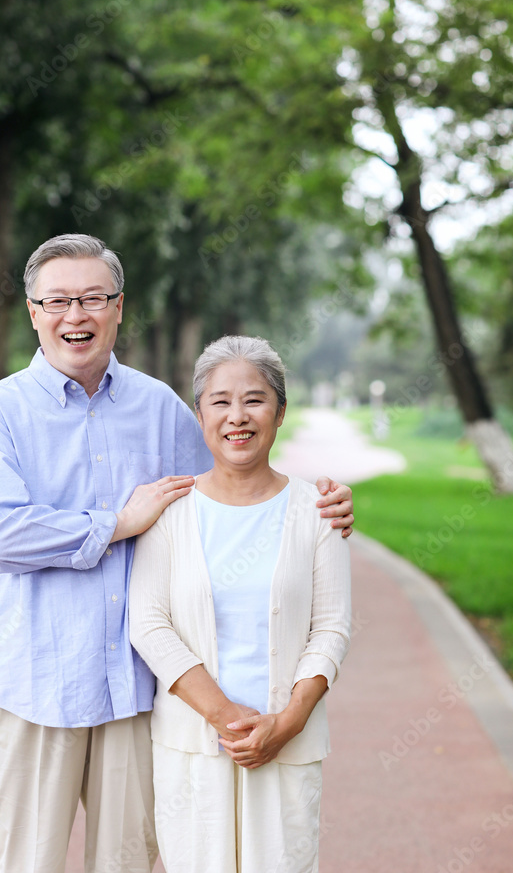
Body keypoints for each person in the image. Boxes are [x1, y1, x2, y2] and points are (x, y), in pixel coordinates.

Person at [0, 233, 355, 873]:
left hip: (133, 691)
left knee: (128, 863)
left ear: (120, 307)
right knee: (25, 863)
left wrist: (321, 505)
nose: (76, 316)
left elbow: (237, 481)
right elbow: (6, 537)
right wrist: (119, 522)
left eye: (94, 298)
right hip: (32, 682)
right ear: (32, 312)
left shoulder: (161, 410)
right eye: (57, 301)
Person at [129, 335, 352, 873]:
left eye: (254, 400)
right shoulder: (170, 511)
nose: (237, 416)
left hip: (288, 746)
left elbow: (332, 628)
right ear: (200, 413)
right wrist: (227, 717)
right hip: (192, 747)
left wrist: (290, 720)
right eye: (220, 401)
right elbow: (149, 624)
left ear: (279, 413)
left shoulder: (318, 511)